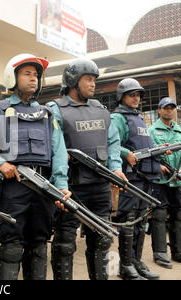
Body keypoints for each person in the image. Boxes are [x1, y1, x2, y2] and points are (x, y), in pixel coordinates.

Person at [0, 53, 71, 280]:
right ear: (13, 77)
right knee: (12, 248)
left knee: (38, 247)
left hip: (43, 189)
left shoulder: (47, 114)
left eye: (36, 74)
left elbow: (59, 152)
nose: (33, 78)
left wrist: (62, 185)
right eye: (27, 73)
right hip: (13, 188)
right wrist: (1, 163)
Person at [47, 58, 127, 280]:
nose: (93, 84)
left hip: (100, 185)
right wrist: (61, 184)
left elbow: (112, 142)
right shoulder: (55, 109)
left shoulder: (100, 109)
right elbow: (57, 149)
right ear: (73, 81)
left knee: (102, 239)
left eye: (94, 80)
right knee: (65, 243)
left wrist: (116, 169)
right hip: (72, 187)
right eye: (88, 79)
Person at [110, 78, 161, 280]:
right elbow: (112, 143)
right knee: (129, 219)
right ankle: (126, 265)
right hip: (130, 177)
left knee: (141, 220)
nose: (136, 98)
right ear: (122, 97)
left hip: (144, 177)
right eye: (132, 94)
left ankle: (137, 261)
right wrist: (125, 153)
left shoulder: (139, 118)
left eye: (138, 94)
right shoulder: (118, 117)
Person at [148, 97, 181, 268]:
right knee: (158, 216)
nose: (169, 110)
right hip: (159, 182)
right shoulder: (151, 131)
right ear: (159, 110)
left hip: (177, 182)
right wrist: (158, 167)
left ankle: (179, 251)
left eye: (172, 108)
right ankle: (160, 253)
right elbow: (148, 156)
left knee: (179, 215)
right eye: (166, 108)